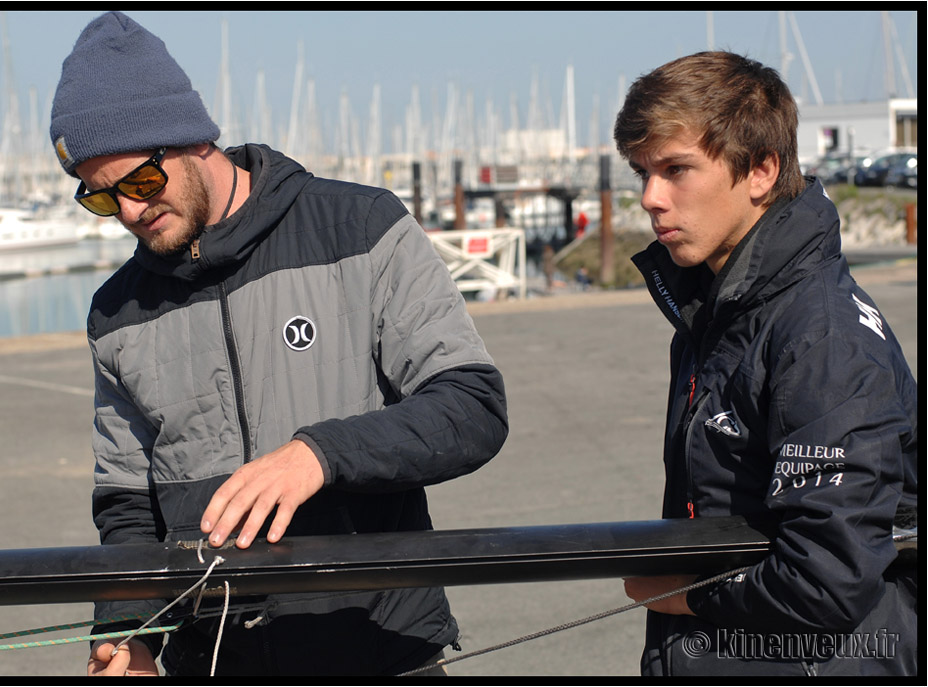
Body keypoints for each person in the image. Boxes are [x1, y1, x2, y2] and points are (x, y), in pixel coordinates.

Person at [50, 12, 508, 676]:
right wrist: (129, 633)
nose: (127, 211)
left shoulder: (362, 226)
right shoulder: (114, 312)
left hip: (381, 650)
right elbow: (127, 502)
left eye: (141, 182)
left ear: (192, 138)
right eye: (100, 198)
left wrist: (319, 454)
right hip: (212, 661)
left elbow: (472, 407)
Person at [613, 52, 917, 676]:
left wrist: (680, 596)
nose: (650, 197)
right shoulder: (717, 310)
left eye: (676, 170)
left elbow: (827, 577)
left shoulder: (820, 336)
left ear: (761, 171)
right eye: (642, 172)